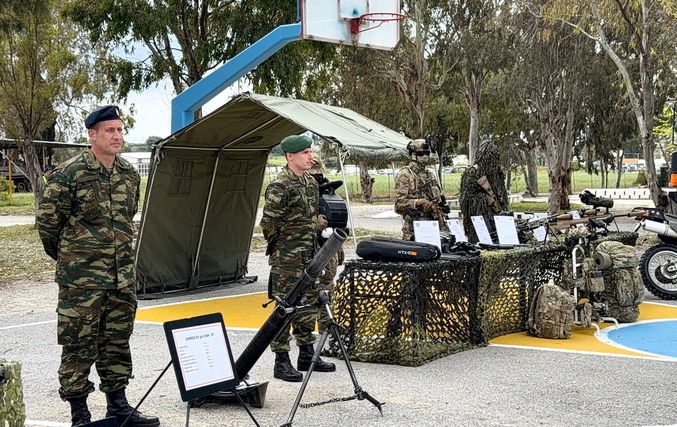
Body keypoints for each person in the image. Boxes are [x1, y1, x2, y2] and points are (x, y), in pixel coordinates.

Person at [36, 106, 159, 427]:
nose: (117, 136)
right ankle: (80, 414)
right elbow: (48, 224)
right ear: (92, 135)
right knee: (78, 345)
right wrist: (73, 260)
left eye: (120, 130)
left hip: (121, 279)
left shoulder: (129, 174)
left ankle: (118, 406)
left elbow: (127, 218)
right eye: (110, 130)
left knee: (117, 342)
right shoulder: (69, 174)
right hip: (82, 282)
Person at [260, 135, 336, 383]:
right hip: (287, 260)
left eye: (310, 151)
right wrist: (285, 246)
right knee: (285, 308)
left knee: (308, 305)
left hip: (309, 256)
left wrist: (316, 226)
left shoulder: (310, 183)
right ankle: (281, 360)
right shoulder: (280, 186)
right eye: (305, 152)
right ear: (290, 156)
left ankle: (306, 354)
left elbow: (312, 217)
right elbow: (268, 225)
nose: (310, 156)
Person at [307, 155, 344, 338]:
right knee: (308, 292)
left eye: (318, 173)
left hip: (327, 247)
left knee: (327, 288)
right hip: (308, 249)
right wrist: (315, 225)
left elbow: (337, 222)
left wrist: (339, 247)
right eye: (313, 174)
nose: (317, 178)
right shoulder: (300, 192)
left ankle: (326, 331)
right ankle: (305, 335)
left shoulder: (328, 193)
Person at [394, 138, 450, 240]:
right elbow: (398, 205)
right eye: (421, 154)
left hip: (435, 226)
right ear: (413, 155)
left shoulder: (430, 175)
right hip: (414, 229)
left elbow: (439, 200)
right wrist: (417, 202)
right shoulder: (405, 174)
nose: (425, 156)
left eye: (427, 153)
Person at [459, 139, 509, 243]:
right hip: (479, 223)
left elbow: (502, 196)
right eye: (489, 158)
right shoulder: (472, 173)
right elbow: (466, 201)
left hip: (497, 220)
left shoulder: (496, 174)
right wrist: (485, 199)